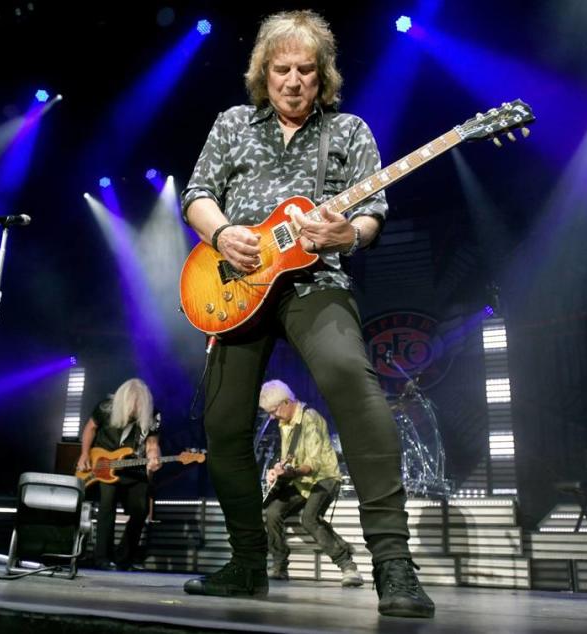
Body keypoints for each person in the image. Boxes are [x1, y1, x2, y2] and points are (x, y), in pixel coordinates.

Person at [179, 10, 434, 618]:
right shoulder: (233, 124)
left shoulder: (348, 132)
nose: (293, 80)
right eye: (281, 68)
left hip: (315, 281)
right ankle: (246, 564)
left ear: (324, 77)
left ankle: (393, 565)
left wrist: (352, 233)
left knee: (352, 381)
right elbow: (197, 194)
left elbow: (374, 209)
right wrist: (222, 235)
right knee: (222, 423)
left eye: (306, 70)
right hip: (237, 285)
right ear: (263, 73)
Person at [259, 380, 364, 587]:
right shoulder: (284, 422)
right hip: (300, 480)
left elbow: (312, 465)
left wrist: (290, 472)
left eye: (273, 411)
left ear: (286, 402)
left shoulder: (310, 419)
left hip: (324, 478)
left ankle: (348, 566)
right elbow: (289, 458)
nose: (272, 417)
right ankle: (279, 566)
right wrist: (278, 469)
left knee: (309, 518)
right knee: (272, 512)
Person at [77, 378, 162, 571]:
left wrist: (153, 457)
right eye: (132, 405)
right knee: (107, 507)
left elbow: (152, 444)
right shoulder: (106, 407)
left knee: (140, 510)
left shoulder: (154, 414)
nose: (135, 410)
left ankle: (124, 558)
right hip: (104, 464)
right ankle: (102, 558)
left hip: (134, 466)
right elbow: (90, 428)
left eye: (139, 405)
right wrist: (84, 453)